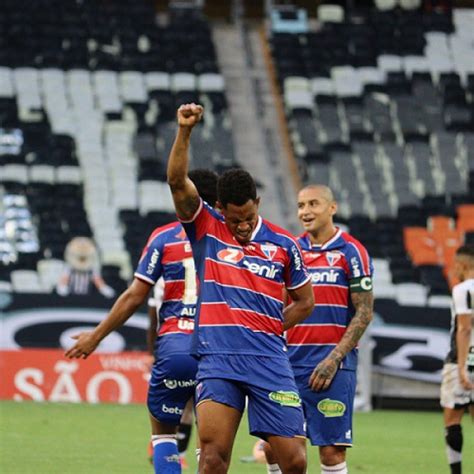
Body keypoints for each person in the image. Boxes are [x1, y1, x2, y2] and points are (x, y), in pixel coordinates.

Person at [167, 103, 314, 474]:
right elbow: (176, 182)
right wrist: (184, 131)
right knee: (213, 456)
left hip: (269, 359)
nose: (243, 226)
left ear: (258, 205)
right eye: (235, 219)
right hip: (218, 360)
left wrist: (270, 327)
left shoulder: (284, 244)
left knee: (294, 459)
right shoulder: (206, 229)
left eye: (248, 217)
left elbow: (305, 302)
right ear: (219, 208)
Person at [65, 168, 219, 474]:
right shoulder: (232, 236)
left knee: (163, 435)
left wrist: (95, 337)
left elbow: (136, 296)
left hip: (175, 346)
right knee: (213, 442)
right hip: (219, 348)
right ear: (217, 199)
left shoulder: (163, 237)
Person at [264, 185, 374, 474]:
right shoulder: (291, 250)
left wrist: (333, 360)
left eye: (313, 204)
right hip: (289, 366)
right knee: (276, 448)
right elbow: (281, 306)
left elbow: (364, 311)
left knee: (331, 451)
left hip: (333, 366)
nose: (305, 212)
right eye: (301, 205)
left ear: (332, 208)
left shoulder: (352, 252)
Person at [441, 244, 474, 474]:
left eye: (456, 265)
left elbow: (463, 328)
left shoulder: (463, 289)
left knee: (452, 420)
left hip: (462, 360)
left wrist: (462, 367)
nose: (453, 269)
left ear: (463, 265)